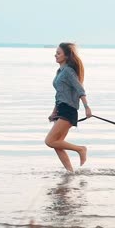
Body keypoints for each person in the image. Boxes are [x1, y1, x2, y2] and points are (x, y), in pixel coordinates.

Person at [45, 42, 93, 172]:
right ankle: (70, 173)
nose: (55, 55)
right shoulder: (59, 71)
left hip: (68, 110)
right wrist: (54, 112)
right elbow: (59, 94)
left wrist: (87, 107)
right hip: (62, 109)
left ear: (66, 56)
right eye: (56, 52)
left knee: (49, 141)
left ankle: (81, 149)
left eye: (58, 53)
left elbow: (79, 89)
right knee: (57, 144)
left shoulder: (68, 71)